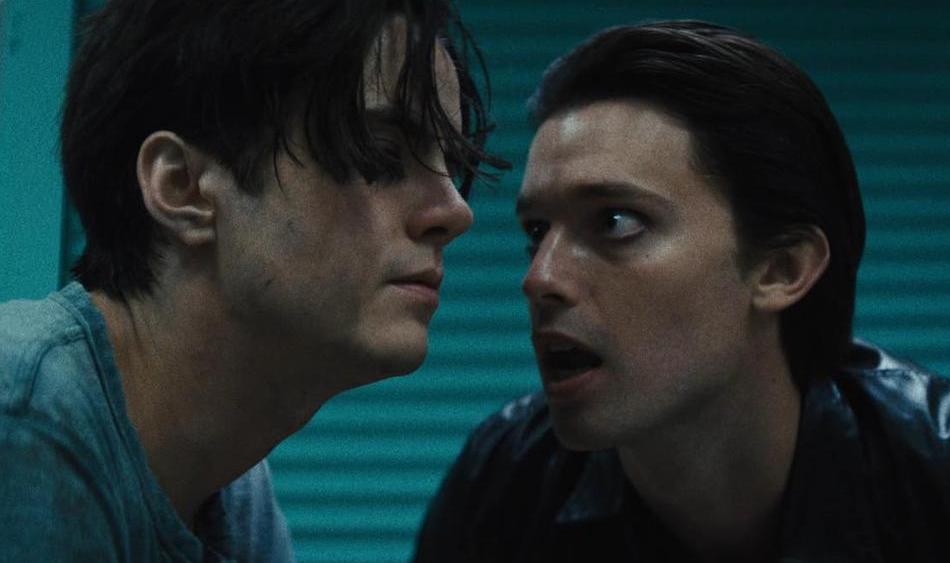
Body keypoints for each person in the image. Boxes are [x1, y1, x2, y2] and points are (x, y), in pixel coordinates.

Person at [414, 20, 950, 563]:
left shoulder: (930, 473)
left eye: (615, 221)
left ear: (781, 269)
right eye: (537, 231)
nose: (540, 279)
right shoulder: (504, 487)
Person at [0, 0, 506, 560]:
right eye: (381, 153)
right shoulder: (23, 421)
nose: (455, 211)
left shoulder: (232, 490)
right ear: (183, 186)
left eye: (449, 166)